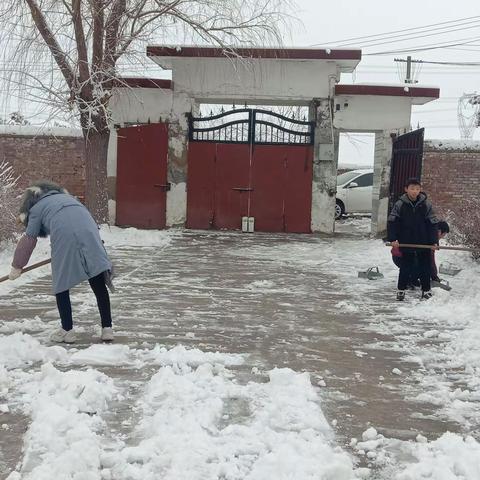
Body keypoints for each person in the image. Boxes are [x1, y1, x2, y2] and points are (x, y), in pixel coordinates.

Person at [8, 181, 114, 343]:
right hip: (90, 233)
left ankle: (67, 330)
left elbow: (29, 238)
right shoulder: (72, 200)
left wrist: (17, 266)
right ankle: (107, 329)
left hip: (64, 237)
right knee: (97, 277)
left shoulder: (36, 208)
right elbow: (85, 224)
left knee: (61, 282)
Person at [387, 178, 438, 301]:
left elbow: (432, 224)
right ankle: (401, 290)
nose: (415, 191)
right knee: (405, 267)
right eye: (412, 188)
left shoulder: (426, 205)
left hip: (423, 241)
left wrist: (434, 241)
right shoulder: (400, 204)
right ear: (406, 189)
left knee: (425, 266)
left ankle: (426, 290)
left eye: (417, 189)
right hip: (406, 240)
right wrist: (393, 239)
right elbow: (393, 222)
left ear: (420, 190)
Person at [391, 219, 450, 286]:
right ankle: (408, 280)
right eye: (443, 235)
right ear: (439, 232)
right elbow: (430, 260)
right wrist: (434, 277)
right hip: (400, 256)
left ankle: (411, 279)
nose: (442, 237)